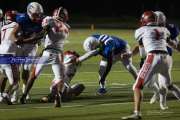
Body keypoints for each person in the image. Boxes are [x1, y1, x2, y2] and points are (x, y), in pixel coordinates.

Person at [121, 11, 178, 120]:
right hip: (166, 58)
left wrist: (131, 54)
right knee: (169, 85)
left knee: (137, 87)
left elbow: (141, 47)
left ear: (145, 20)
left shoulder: (140, 31)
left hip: (153, 57)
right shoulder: (164, 30)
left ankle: (137, 114)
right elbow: (173, 44)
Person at [20, 6, 70, 107]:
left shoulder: (50, 20)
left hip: (47, 52)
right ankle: (58, 96)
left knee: (33, 75)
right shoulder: (67, 27)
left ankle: (24, 96)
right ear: (65, 16)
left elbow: (42, 34)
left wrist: (25, 41)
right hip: (59, 54)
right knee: (60, 78)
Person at [10, 2, 44, 102]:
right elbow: (13, 34)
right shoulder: (22, 19)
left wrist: (39, 40)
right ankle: (15, 93)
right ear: (29, 12)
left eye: (39, 14)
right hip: (20, 46)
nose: (38, 16)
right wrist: (16, 40)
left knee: (26, 69)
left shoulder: (42, 20)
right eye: (35, 14)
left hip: (32, 46)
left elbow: (43, 34)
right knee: (16, 69)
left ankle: (25, 90)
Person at [0, 10, 21, 105]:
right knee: (15, 80)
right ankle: (5, 95)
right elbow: (13, 36)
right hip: (8, 55)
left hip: (1, 54)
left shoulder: (3, 27)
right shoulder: (16, 24)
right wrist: (19, 41)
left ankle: (1, 95)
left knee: (4, 76)